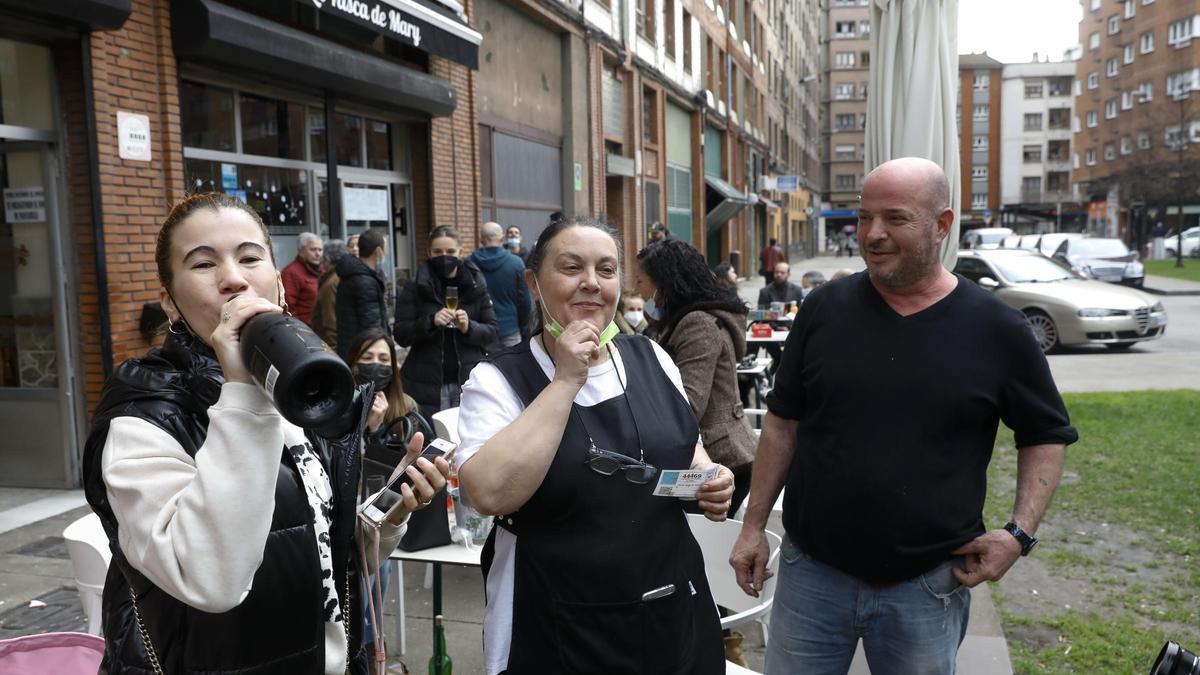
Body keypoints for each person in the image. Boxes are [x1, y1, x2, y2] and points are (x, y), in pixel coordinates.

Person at [729, 158, 1078, 675]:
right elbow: (782, 424)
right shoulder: (823, 310)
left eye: (895, 218)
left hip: (928, 583)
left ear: (941, 225)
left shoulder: (996, 329)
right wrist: (752, 525)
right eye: (864, 218)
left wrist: (1018, 534)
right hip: (813, 574)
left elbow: (1045, 434)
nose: (873, 234)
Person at [81, 193, 449, 674]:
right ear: (171, 302)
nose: (233, 277)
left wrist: (391, 513)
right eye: (202, 264)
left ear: (277, 286)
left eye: (250, 257)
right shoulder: (144, 415)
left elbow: (317, 557)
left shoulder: (301, 390)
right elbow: (210, 580)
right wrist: (240, 393)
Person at [455, 216, 733, 675]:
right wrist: (566, 380)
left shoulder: (652, 356)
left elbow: (687, 451)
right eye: (571, 268)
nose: (591, 283)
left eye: (606, 270)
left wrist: (709, 480)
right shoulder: (498, 380)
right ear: (533, 283)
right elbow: (488, 494)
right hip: (558, 621)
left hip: (671, 609)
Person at [636, 239, 756, 514]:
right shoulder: (685, 318)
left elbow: (688, 404)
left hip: (719, 457)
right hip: (714, 452)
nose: (637, 290)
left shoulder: (697, 324)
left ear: (664, 284)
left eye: (641, 281)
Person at [394, 226, 498, 420]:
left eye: (450, 252)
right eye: (437, 252)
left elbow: (492, 331)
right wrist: (430, 322)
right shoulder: (415, 286)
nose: (444, 257)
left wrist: (469, 327)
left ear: (461, 251)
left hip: (468, 379)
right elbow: (401, 334)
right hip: (427, 382)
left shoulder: (475, 284)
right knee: (434, 442)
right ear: (428, 253)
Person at [470, 221, 532, 349]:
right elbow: (524, 301)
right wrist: (523, 327)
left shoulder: (469, 263)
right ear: (502, 238)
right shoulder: (516, 263)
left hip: (480, 329)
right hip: (510, 328)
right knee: (513, 367)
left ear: (481, 239)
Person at [335, 229, 389, 358]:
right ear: (378, 251)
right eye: (385, 248)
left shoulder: (354, 275)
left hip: (353, 349)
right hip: (364, 355)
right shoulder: (364, 281)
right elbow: (372, 328)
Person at [311, 239, 348, 348]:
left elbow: (330, 323)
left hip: (331, 347)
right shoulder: (340, 277)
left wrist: (333, 352)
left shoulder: (331, 283)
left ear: (327, 259)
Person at [280, 232, 323, 324]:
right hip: (306, 328)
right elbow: (289, 307)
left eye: (320, 250)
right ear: (301, 251)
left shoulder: (323, 270)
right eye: (313, 249)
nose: (318, 254)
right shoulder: (290, 273)